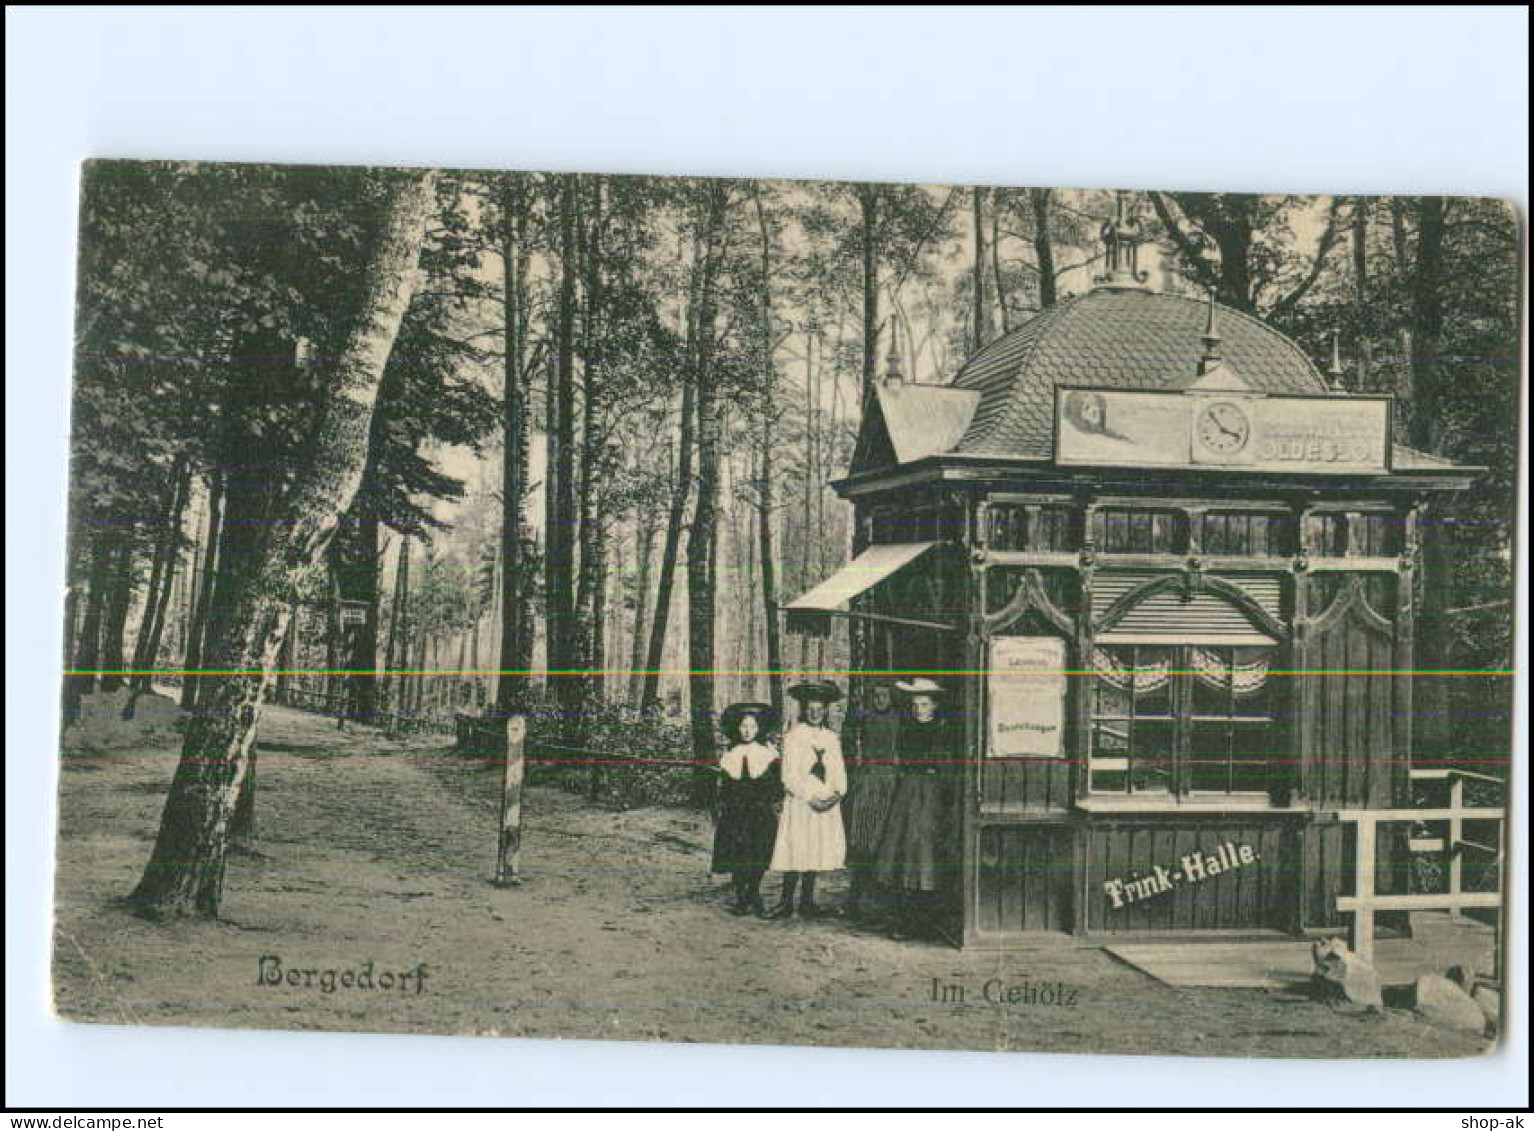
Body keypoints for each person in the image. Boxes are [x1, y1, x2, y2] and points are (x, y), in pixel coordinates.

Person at [873, 677, 958, 939]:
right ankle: (904, 921)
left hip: (931, 794)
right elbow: (902, 760)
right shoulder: (907, 730)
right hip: (908, 793)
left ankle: (928, 921)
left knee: (926, 853)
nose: (919, 709)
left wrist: (940, 782)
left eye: (924, 704)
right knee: (904, 851)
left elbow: (946, 766)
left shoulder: (943, 731)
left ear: (934, 706)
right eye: (916, 704)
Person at [764, 681, 847, 919]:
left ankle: (808, 902)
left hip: (826, 802)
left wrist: (836, 794)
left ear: (825, 711)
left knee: (814, 849)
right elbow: (788, 775)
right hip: (801, 802)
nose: (814, 713)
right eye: (810, 709)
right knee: (796, 848)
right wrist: (809, 797)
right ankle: (786, 902)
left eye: (819, 709)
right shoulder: (793, 737)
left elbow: (839, 770)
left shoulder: (831, 738)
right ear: (804, 710)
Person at [710, 702, 782, 916]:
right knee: (738, 853)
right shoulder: (730, 754)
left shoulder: (768, 754)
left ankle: (754, 891)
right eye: (743, 726)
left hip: (759, 812)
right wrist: (723, 803)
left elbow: (777, 787)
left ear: (759, 728)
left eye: (752, 726)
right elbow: (724, 787)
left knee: (758, 852)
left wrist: (767, 800)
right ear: (737, 728)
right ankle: (742, 896)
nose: (747, 731)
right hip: (736, 812)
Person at [842, 681, 902, 918]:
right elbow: (854, 747)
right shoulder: (864, 719)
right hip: (867, 781)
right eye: (876, 696)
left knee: (884, 839)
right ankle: (856, 898)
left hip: (888, 781)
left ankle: (882, 900)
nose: (880, 700)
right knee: (862, 839)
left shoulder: (898, 721)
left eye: (884, 696)